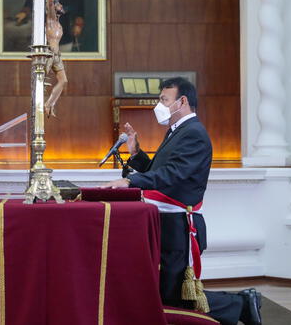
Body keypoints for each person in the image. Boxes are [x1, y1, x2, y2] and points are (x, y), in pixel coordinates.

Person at [104, 77, 262, 325]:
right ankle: (240, 304)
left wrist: (131, 182)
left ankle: (241, 303)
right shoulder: (177, 132)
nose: (159, 106)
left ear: (183, 101)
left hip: (179, 224)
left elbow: (172, 174)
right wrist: (135, 153)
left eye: (164, 100)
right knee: (169, 292)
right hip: (167, 221)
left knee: (176, 296)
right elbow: (159, 170)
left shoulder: (194, 134)